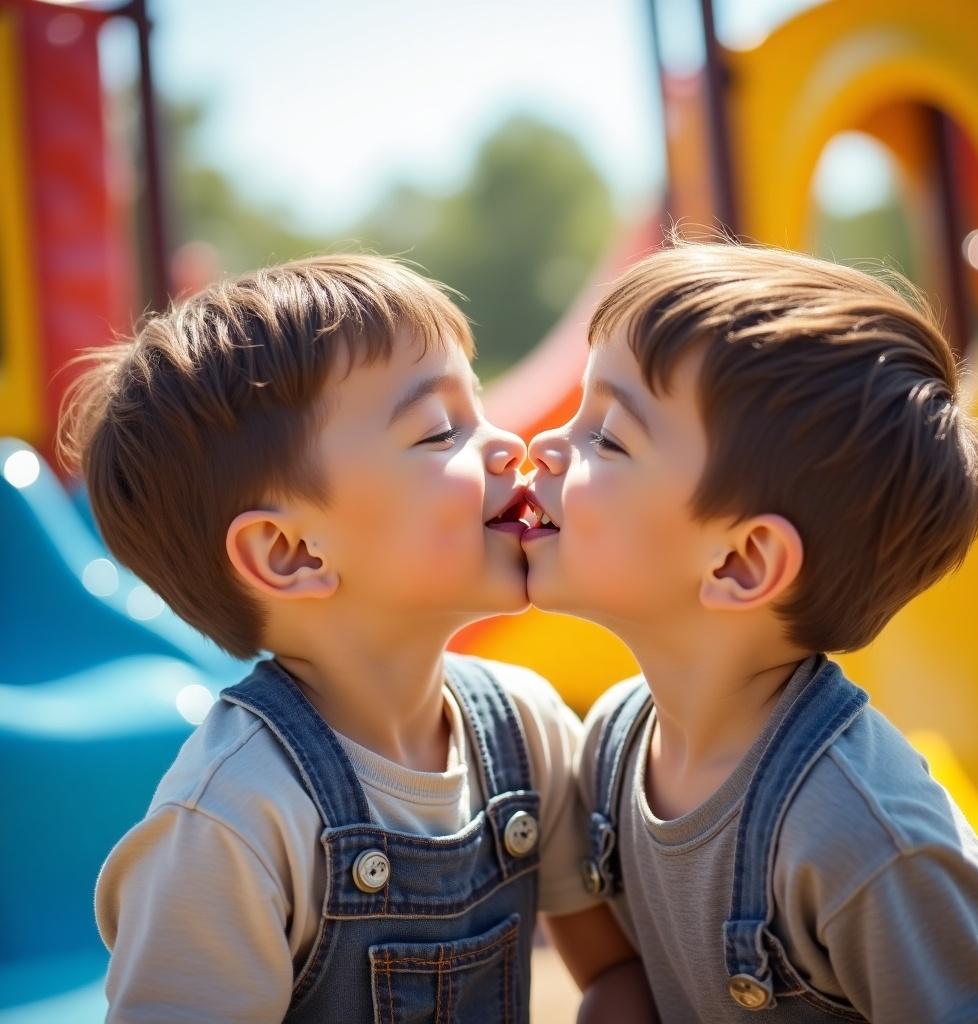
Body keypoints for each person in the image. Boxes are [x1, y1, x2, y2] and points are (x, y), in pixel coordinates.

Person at [60, 255, 638, 1022]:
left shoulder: (524, 731)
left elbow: (616, 974)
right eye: (439, 431)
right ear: (291, 553)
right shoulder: (233, 821)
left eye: (481, 406)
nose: (508, 444)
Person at [523, 240, 978, 1021]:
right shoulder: (612, 747)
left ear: (742, 563)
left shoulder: (859, 832)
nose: (549, 445)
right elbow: (622, 979)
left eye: (609, 437)